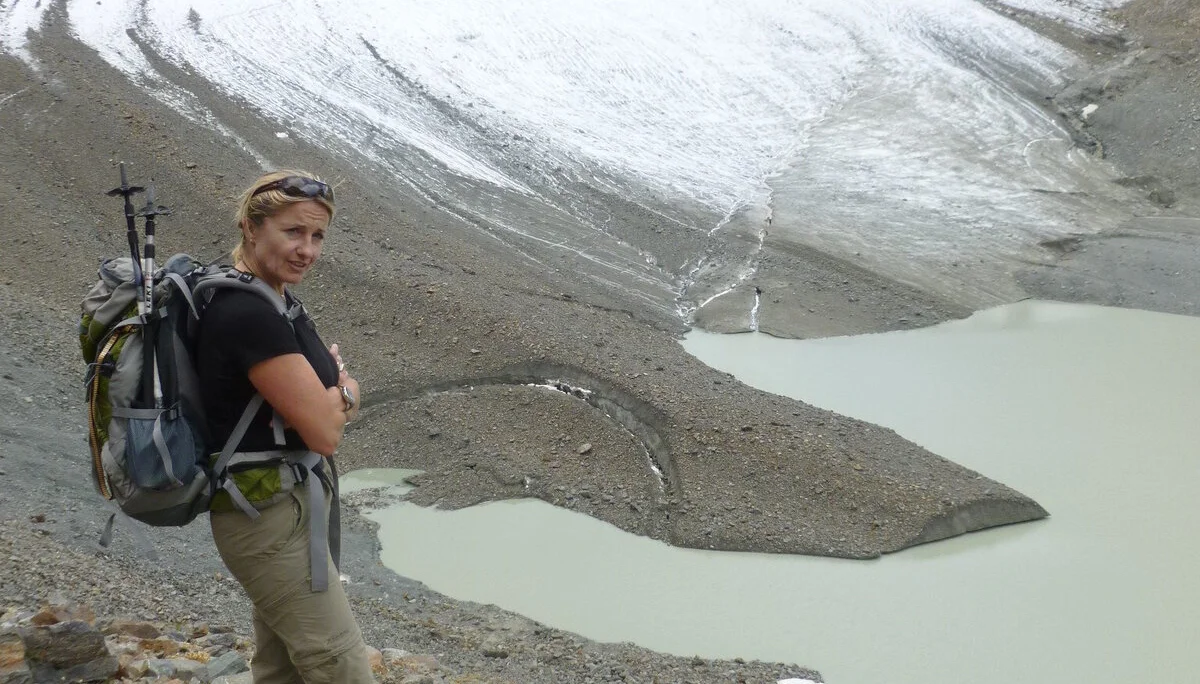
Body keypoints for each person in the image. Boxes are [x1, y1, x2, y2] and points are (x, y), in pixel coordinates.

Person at [196, 170, 373, 683]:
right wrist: (343, 389)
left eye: (317, 236)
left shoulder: (271, 298)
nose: (307, 250)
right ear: (251, 228)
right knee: (340, 664)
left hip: (283, 505)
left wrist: (332, 397)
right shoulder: (248, 314)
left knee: (284, 668)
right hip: (266, 517)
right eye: (293, 232)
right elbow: (325, 432)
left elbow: (325, 412)